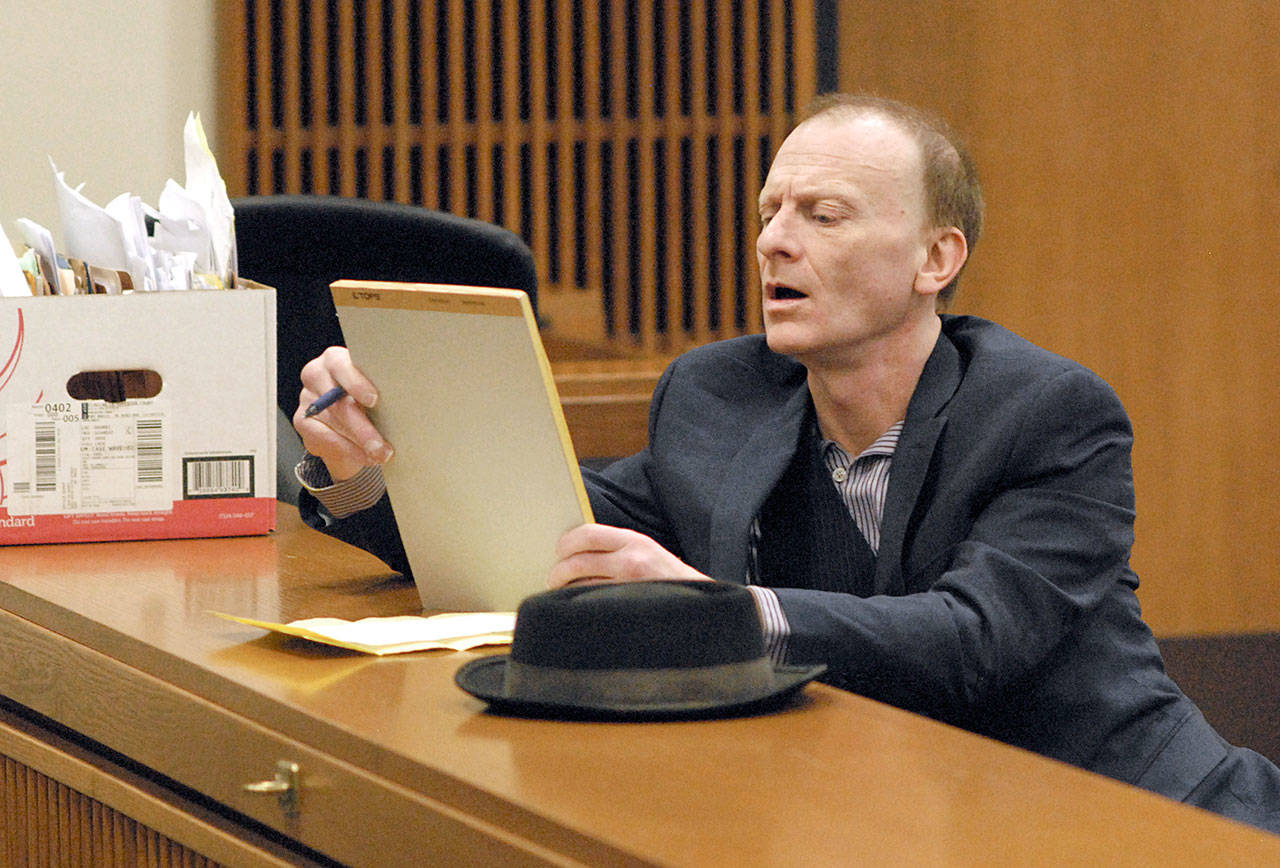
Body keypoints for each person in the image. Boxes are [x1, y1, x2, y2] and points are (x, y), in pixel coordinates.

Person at [291, 93, 1279, 833]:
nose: (773, 240)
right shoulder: (719, 395)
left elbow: (969, 639)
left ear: (936, 258)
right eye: (769, 211)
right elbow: (554, 524)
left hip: (1131, 814)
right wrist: (368, 469)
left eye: (824, 214)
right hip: (901, 821)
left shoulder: (1046, 413)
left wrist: (713, 610)